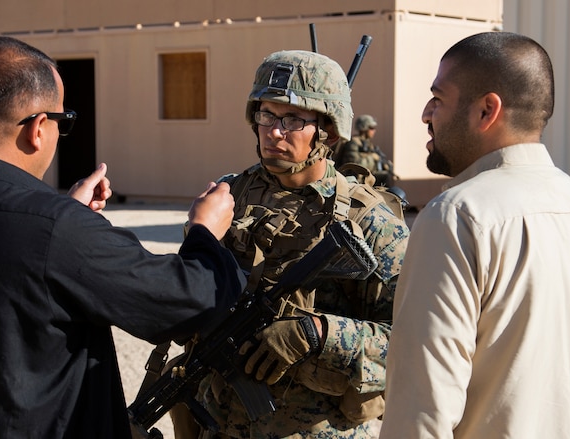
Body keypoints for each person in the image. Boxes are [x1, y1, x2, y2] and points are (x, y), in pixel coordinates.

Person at [0, 36, 246, 439]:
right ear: (36, 129)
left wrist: (68, 227)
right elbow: (189, 301)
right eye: (63, 122)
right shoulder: (53, 230)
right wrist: (205, 230)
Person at [379, 31, 570, 439]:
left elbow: (421, 408)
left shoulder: (455, 217)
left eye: (439, 98)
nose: (425, 113)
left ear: (487, 110)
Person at [170, 50, 410, 438]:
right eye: (266, 115)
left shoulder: (370, 222)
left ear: (328, 131)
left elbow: (409, 341)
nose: (274, 131)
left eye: (293, 119)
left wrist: (317, 333)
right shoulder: (229, 197)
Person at [333, 114, 398, 186]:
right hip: (354, 179)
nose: (374, 131)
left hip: (367, 177)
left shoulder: (369, 144)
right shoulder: (353, 143)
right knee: (386, 177)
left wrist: (385, 164)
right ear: (364, 128)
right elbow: (354, 165)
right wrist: (372, 158)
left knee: (388, 176)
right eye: (371, 128)